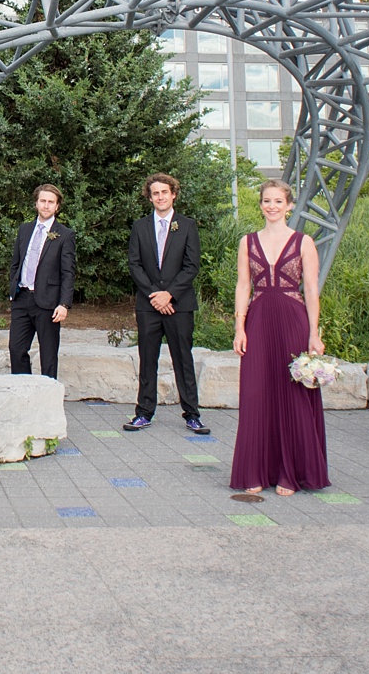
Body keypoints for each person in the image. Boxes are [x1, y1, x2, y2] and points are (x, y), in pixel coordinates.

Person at [228, 180, 330, 495]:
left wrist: (314, 334)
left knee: (293, 395)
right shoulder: (248, 241)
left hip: (292, 322)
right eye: (266, 201)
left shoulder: (304, 242)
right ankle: (255, 470)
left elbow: (311, 289)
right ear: (260, 204)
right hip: (258, 320)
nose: (272, 206)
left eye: (278, 201)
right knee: (256, 394)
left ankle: (290, 473)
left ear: (289, 205)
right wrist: (239, 327)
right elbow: (243, 286)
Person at [123, 173, 209, 435]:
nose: (160, 197)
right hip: (149, 305)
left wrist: (169, 294)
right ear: (150, 197)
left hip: (179, 305)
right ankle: (144, 412)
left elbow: (191, 266)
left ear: (173, 194)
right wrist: (155, 296)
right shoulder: (140, 227)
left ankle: (192, 414)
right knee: (147, 358)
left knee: (183, 358)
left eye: (164, 192)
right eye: (155, 193)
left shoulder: (187, 225)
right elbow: (134, 264)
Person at [6, 184, 75, 378]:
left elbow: (68, 272)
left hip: (48, 302)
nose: (46, 205)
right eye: (43, 201)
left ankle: (48, 396)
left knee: (48, 354)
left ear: (57, 206)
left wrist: (64, 304)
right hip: (22, 298)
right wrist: (13, 288)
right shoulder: (25, 229)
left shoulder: (65, 234)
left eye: (50, 202)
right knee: (16, 349)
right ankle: (24, 390)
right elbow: (16, 263)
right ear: (36, 203)